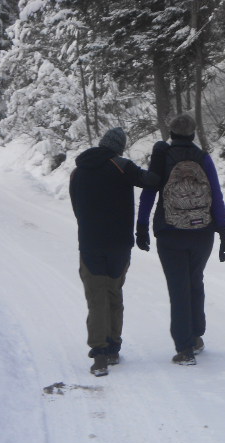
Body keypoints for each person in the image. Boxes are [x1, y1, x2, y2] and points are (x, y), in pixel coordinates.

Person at [136, 113, 225, 366]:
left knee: (178, 289)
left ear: (171, 133)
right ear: (193, 134)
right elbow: (217, 196)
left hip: (169, 233)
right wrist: (224, 233)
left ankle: (184, 349)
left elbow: (148, 193)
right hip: (202, 233)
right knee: (195, 281)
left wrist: (142, 225)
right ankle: (196, 335)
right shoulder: (203, 159)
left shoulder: (162, 157)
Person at [70, 127, 160, 377]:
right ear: (119, 147)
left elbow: (76, 207)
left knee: (95, 297)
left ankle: (98, 354)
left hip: (90, 243)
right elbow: (151, 180)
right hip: (119, 243)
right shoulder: (122, 166)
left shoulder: (78, 171)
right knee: (114, 293)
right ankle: (112, 347)